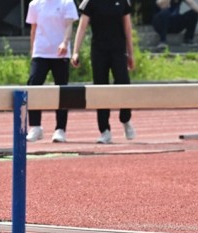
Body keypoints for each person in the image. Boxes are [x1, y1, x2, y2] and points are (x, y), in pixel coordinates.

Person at [71, 0, 136, 144]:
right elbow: (82, 27)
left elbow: (127, 27)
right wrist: (75, 52)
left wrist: (131, 53)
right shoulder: (90, 2)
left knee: (124, 83)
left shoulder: (123, 1)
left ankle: (125, 119)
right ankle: (104, 130)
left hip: (118, 51)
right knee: (101, 88)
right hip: (99, 52)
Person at [25, 0, 78, 143]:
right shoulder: (34, 4)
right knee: (33, 85)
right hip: (40, 52)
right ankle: (35, 126)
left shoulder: (67, 3)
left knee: (62, 89)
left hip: (60, 53)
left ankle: (60, 129)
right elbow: (34, 28)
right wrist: (32, 51)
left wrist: (65, 43)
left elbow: (68, 26)